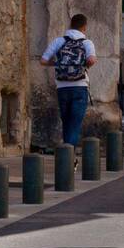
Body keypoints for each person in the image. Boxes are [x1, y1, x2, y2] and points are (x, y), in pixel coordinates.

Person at [40, 14, 97, 154]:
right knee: (75, 123)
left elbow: (43, 60)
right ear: (84, 27)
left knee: (66, 122)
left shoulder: (59, 41)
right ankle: (68, 156)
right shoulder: (87, 43)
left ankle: (66, 155)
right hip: (80, 86)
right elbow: (91, 60)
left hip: (62, 87)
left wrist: (58, 63)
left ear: (71, 24)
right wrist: (82, 64)